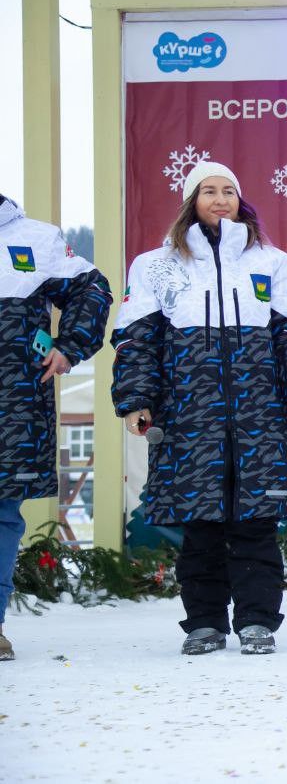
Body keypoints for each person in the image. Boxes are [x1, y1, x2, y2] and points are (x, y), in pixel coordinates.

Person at [111, 162, 287, 656]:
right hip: (188, 417)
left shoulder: (272, 261)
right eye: (208, 191)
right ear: (192, 201)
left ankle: (257, 623)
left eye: (229, 190)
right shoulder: (155, 265)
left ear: (240, 200)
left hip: (260, 415)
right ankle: (205, 624)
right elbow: (136, 339)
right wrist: (136, 400)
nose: (220, 199)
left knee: (256, 523)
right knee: (200, 525)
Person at [0, 194, 112, 661]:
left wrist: (70, 345)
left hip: (14, 406)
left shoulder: (34, 238)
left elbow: (92, 289)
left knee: (2, 513)